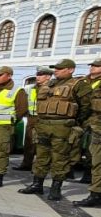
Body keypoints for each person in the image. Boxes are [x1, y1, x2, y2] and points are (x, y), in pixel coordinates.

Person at [19, 59, 91, 201]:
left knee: (60, 159)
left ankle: (55, 188)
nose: (56, 71)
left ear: (70, 70)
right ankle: (37, 184)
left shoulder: (78, 85)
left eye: (60, 68)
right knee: (41, 157)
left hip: (63, 127)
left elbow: (85, 107)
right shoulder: (49, 85)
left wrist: (74, 123)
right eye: (55, 68)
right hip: (43, 126)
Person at [14, 68, 51, 171]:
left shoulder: (52, 88)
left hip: (44, 118)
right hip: (31, 117)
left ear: (48, 77)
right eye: (37, 74)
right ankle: (26, 164)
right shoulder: (29, 88)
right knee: (29, 142)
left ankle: (40, 167)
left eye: (41, 75)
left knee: (42, 143)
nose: (37, 77)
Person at [76, 58, 101, 207]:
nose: (92, 67)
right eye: (91, 65)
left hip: (96, 125)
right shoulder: (83, 81)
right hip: (87, 122)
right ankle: (95, 192)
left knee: (96, 159)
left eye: (96, 66)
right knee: (90, 155)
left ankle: (95, 193)